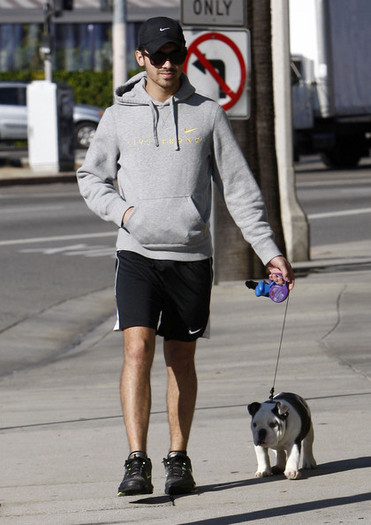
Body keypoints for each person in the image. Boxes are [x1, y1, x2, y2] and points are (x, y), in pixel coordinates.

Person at [76, 16, 295, 497]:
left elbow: (240, 192)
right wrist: (125, 213)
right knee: (137, 349)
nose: (168, 63)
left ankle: (178, 457)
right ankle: (137, 460)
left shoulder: (207, 114)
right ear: (141, 59)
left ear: (185, 56)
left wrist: (270, 252)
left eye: (176, 54)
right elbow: (90, 178)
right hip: (136, 251)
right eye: (158, 56)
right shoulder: (118, 115)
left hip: (191, 257)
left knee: (180, 359)